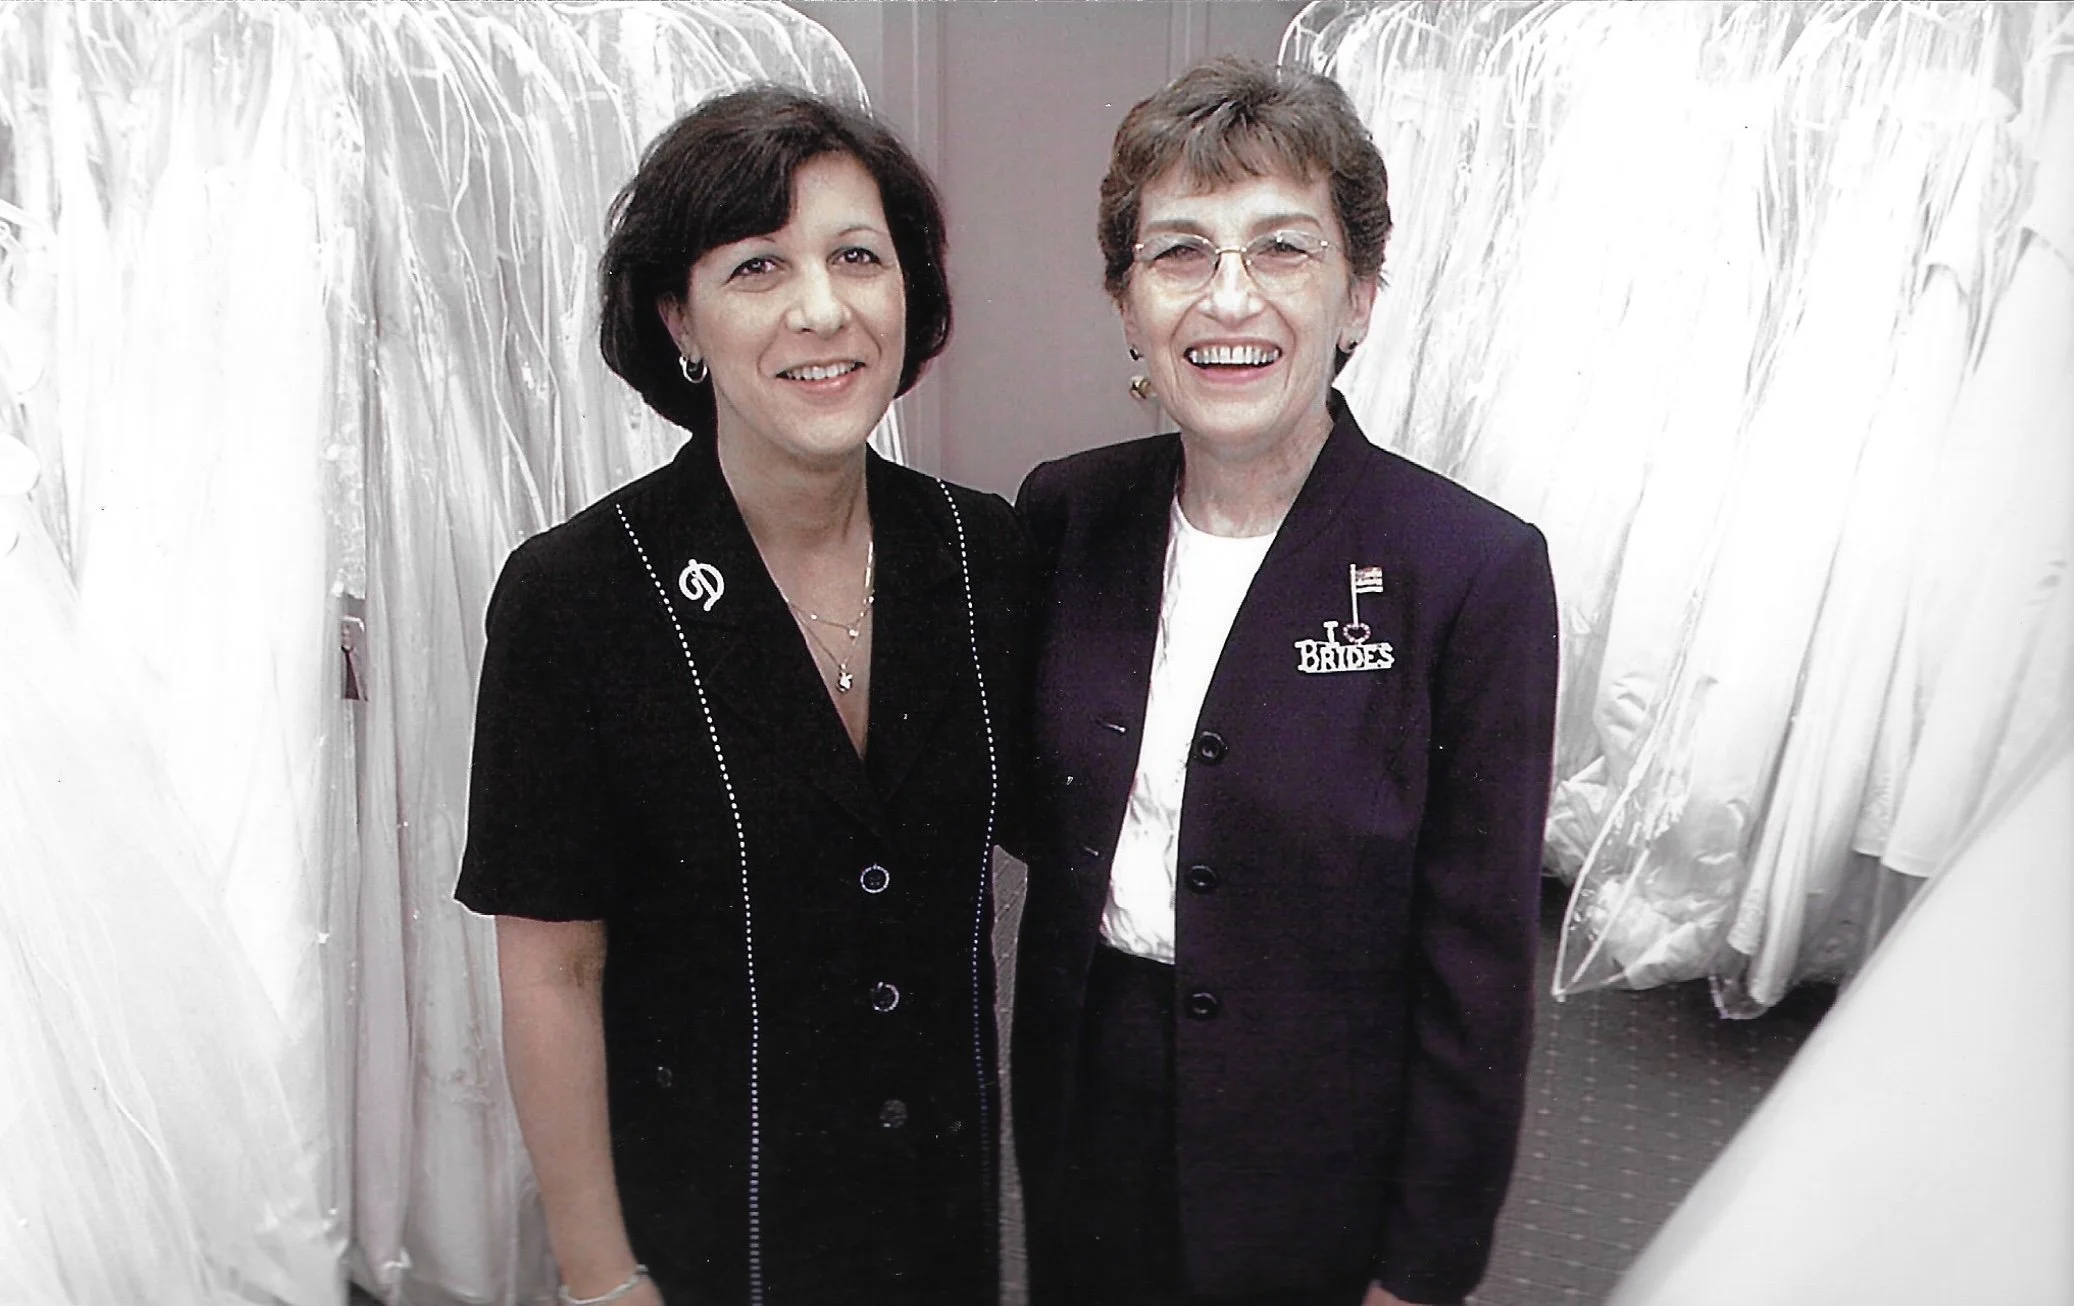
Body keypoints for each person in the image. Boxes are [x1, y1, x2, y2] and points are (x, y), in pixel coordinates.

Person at [456, 87, 1029, 1306]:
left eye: (857, 257)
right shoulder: (578, 595)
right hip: (714, 1225)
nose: (822, 309)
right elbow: (551, 972)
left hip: (942, 1219)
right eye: (758, 266)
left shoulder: (981, 554)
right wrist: (599, 1273)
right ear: (681, 318)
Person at [1013, 58, 1559, 1306]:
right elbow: (1031, 812)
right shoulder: (1066, 513)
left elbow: (1478, 971)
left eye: (1283, 250)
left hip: (1318, 1144)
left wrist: (1422, 1272)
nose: (1229, 299)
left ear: (1358, 297)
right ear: (1126, 300)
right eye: (1180, 253)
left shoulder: (1470, 567)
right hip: (1088, 1093)